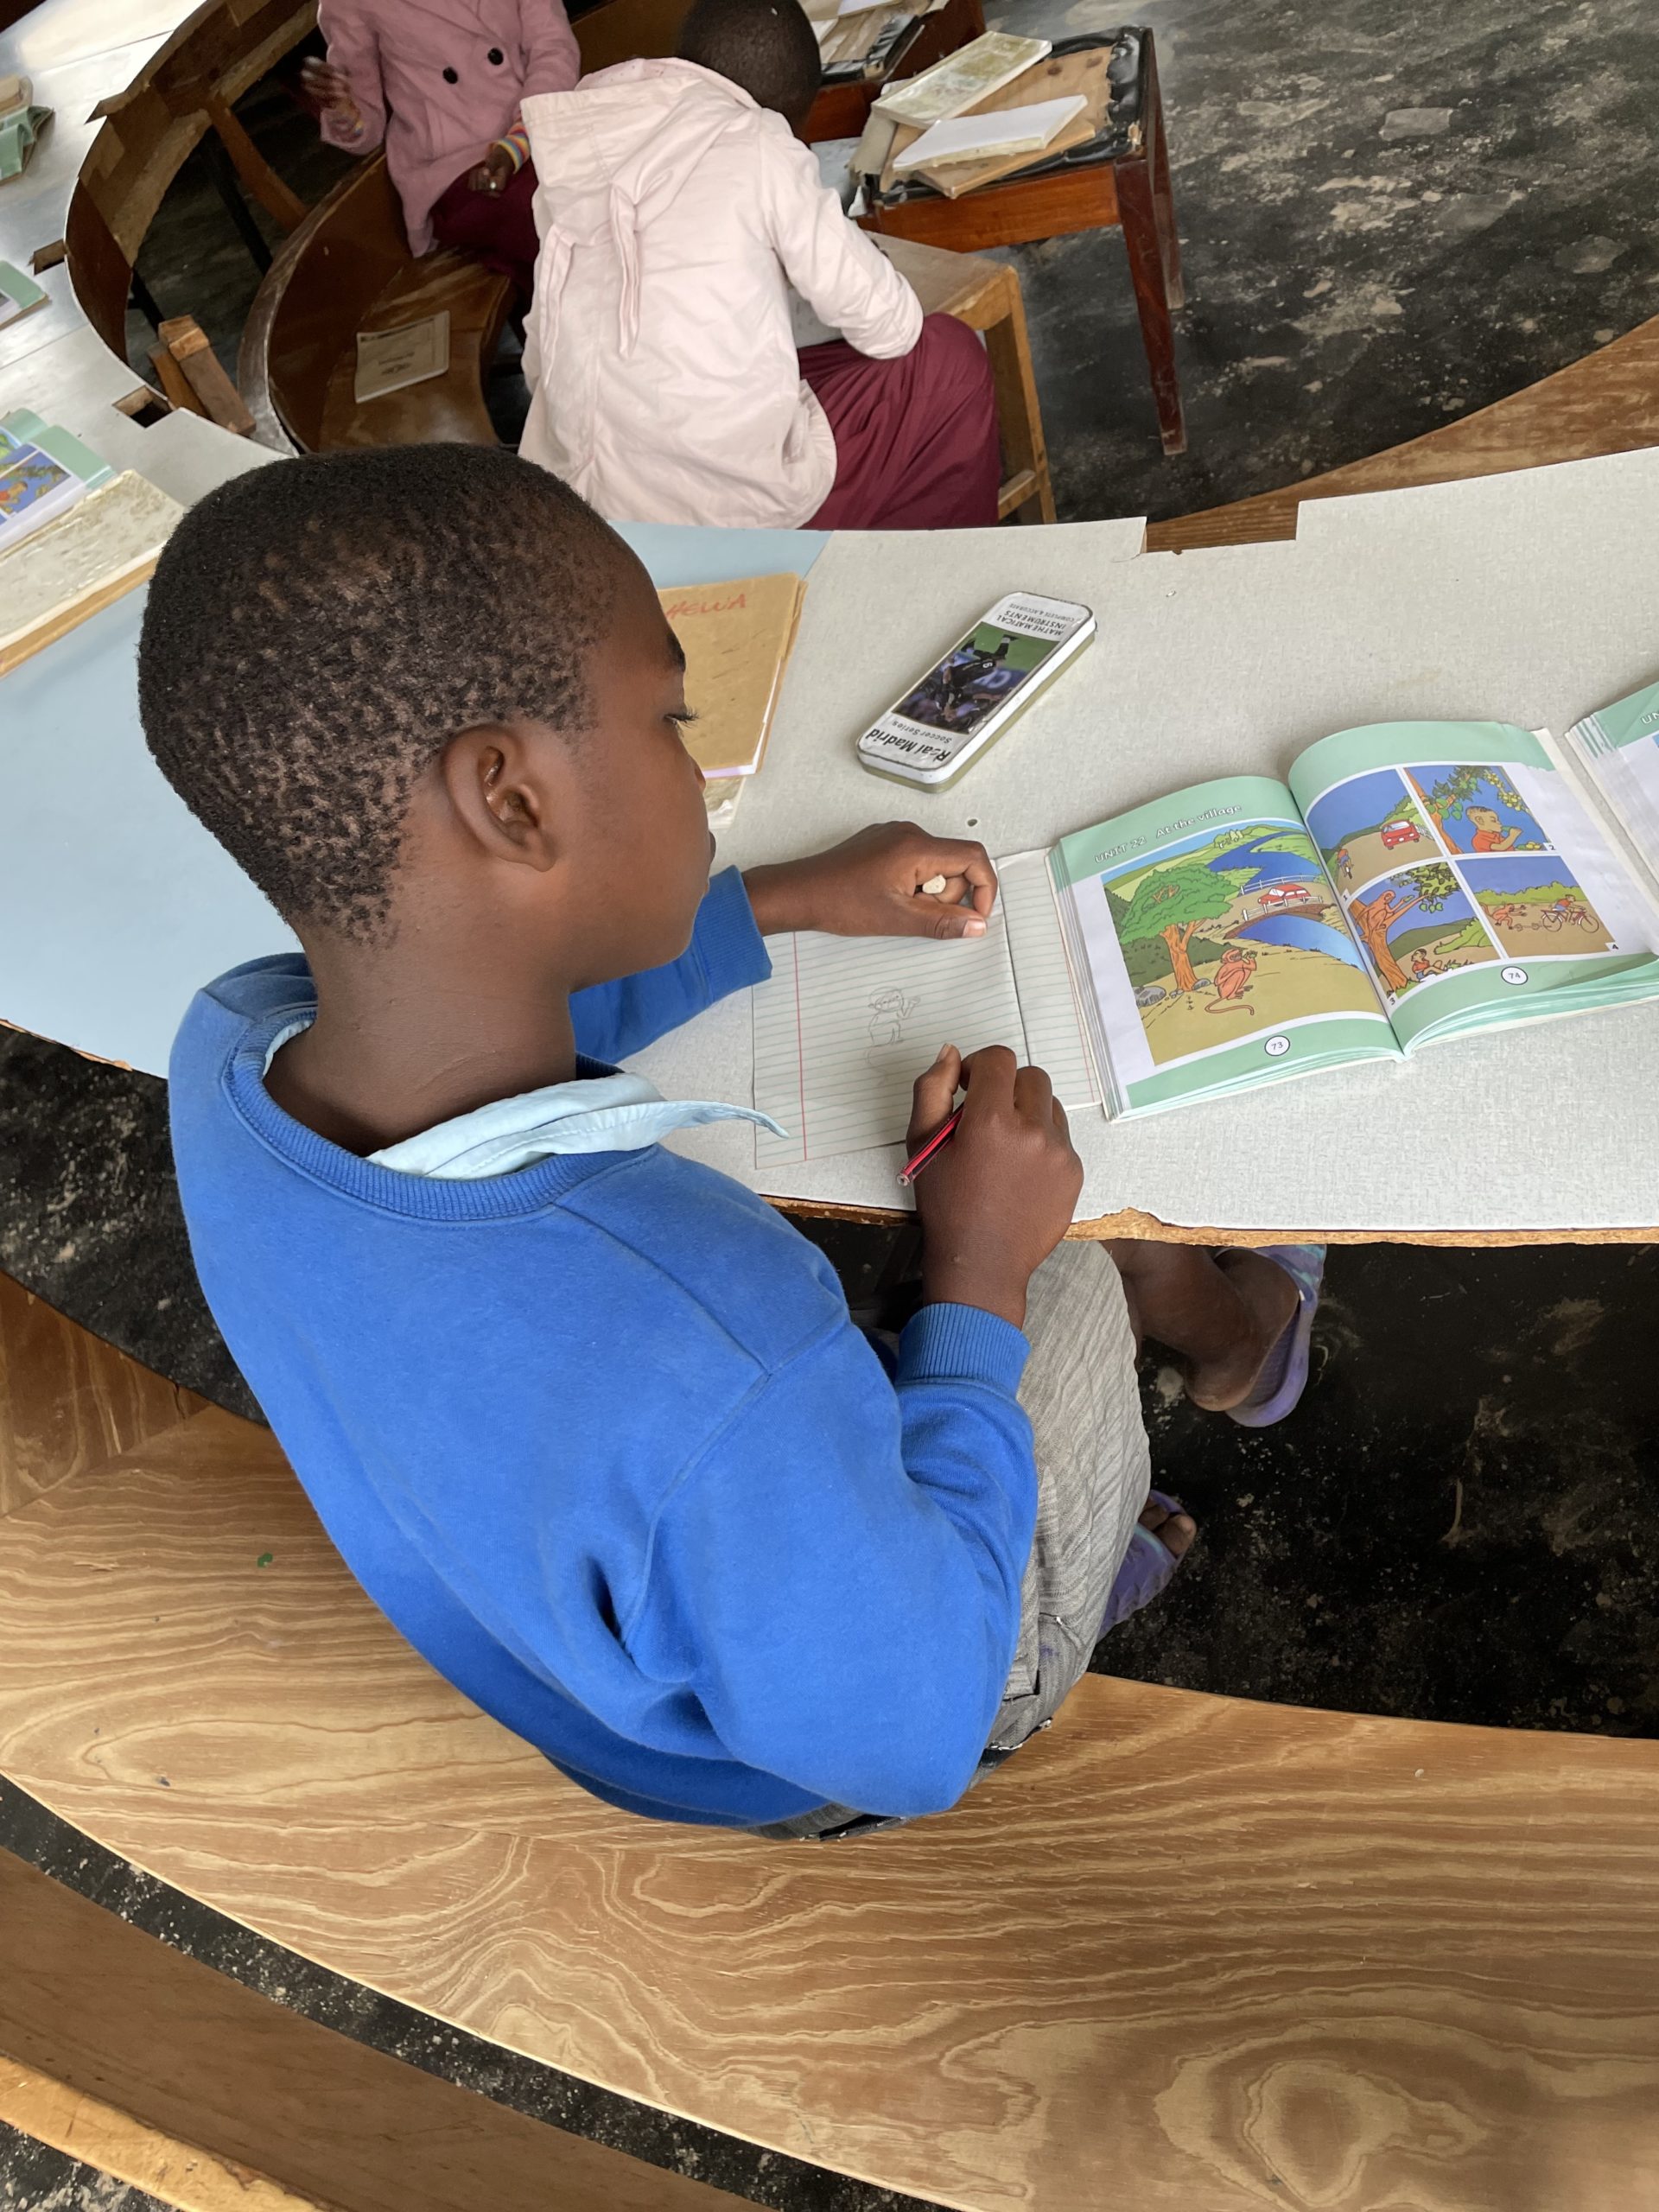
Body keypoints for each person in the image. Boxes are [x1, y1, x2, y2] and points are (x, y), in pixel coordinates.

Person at [140, 447, 1322, 1839]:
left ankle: (1036, 1450)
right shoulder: (708, 1326)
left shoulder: (227, 1050)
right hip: (820, 1734)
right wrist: (981, 1268)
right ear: (513, 801)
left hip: (577, 1659)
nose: (694, 772)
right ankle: (1161, 1462)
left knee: (934, 1297)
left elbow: (513, 993)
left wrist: (785, 897)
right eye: (668, 722)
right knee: (1083, 1253)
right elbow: (910, 1738)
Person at [516, 0, 1001, 530]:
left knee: (794, 366)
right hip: (712, 518)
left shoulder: (586, 140)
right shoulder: (759, 139)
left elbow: (539, 361)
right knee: (948, 360)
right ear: (788, 115)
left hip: (572, 503)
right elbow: (892, 326)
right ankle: (894, 571)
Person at [301, 0, 580, 301]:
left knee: (606, 192)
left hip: (541, 123)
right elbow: (364, 126)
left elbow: (553, 47)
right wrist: (345, 111)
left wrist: (520, 138)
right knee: (554, 220)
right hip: (456, 167)